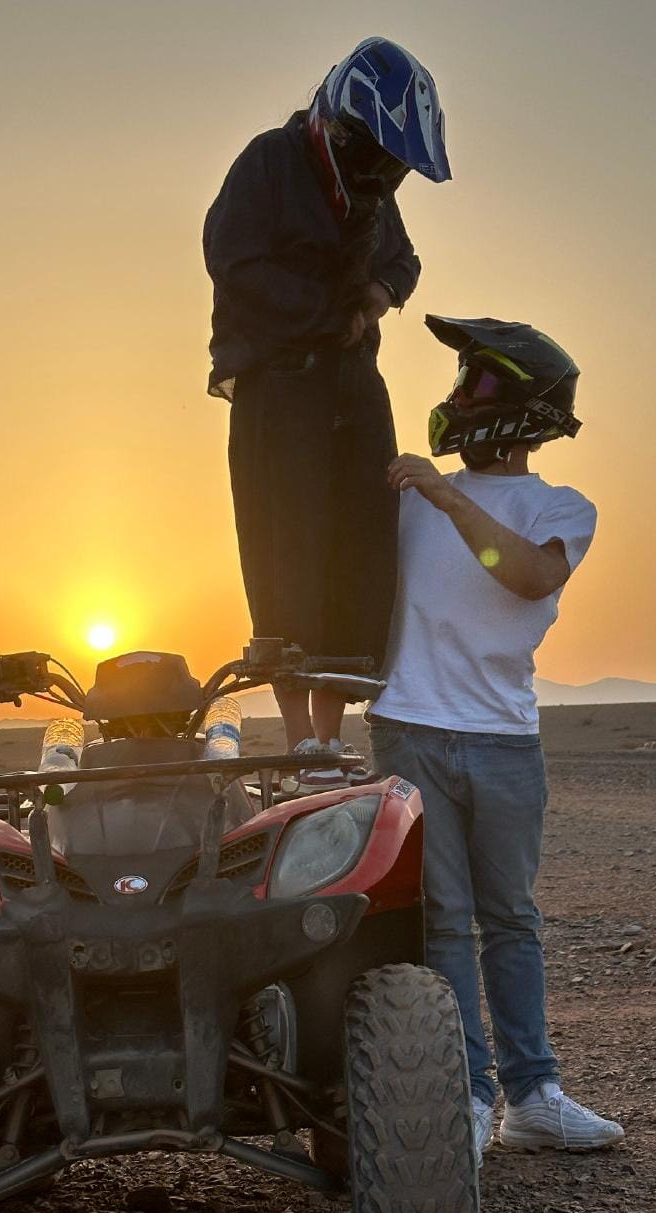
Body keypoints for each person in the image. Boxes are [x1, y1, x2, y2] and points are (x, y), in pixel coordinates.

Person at [368, 315, 625, 1160]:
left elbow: (527, 578)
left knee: (509, 918)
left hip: (504, 739)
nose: (457, 399)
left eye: (476, 383)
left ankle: (534, 1097)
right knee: (441, 923)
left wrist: (444, 494)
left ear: (521, 403)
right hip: (409, 729)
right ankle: (470, 1098)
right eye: (460, 381)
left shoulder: (559, 507)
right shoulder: (404, 498)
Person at [203, 37, 450, 787]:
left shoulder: (373, 194)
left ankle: (331, 743)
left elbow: (402, 262)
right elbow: (231, 257)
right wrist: (322, 314)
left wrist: (375, 298)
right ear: (342, 128)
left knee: (360, 550)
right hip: (278, 388)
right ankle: (301, 739)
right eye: (379, 155)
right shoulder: (272, 161)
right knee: (289, 555)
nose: (387, 174)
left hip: (352, 388)